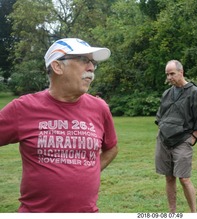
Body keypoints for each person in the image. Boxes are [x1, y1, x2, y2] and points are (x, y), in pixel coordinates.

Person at [0, 38, 118, 212]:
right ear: (57, 67)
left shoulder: (99, 108)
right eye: (83, 60)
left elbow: (112, 148)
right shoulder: (23, 108)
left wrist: (90, 171)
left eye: (92, 62)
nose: (91, 68)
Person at [155, 60, 197, 213]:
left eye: (172, 73)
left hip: (182, 140)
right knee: (169, 177)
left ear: (181, 72)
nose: (169, 77)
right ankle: (172, 212)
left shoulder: (194, 93)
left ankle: (193, 212)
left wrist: (193, 137)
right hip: (164, 140)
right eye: (167, 74)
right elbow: (161, 115)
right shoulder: (167, 93)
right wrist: (162, 128)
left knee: (184, 178)